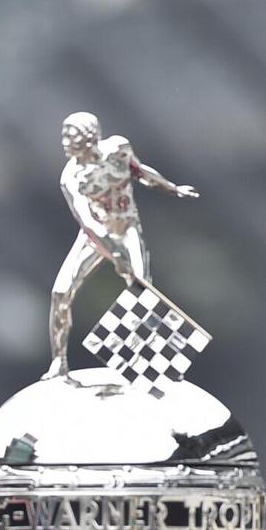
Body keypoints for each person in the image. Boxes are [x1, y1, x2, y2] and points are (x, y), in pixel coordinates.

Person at [45, 110, 199, 377]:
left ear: (88, 135)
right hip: (96, 236)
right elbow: (87, 222)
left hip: (126, 227)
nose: (64, 142)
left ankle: (154, 356)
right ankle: (59, 360)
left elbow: (139, 171)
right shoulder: (72, 177)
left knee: (143, 288)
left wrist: (172, 188)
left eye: (70, 135)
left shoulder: (118, 149)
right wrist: (114, 254)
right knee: (60, 292)